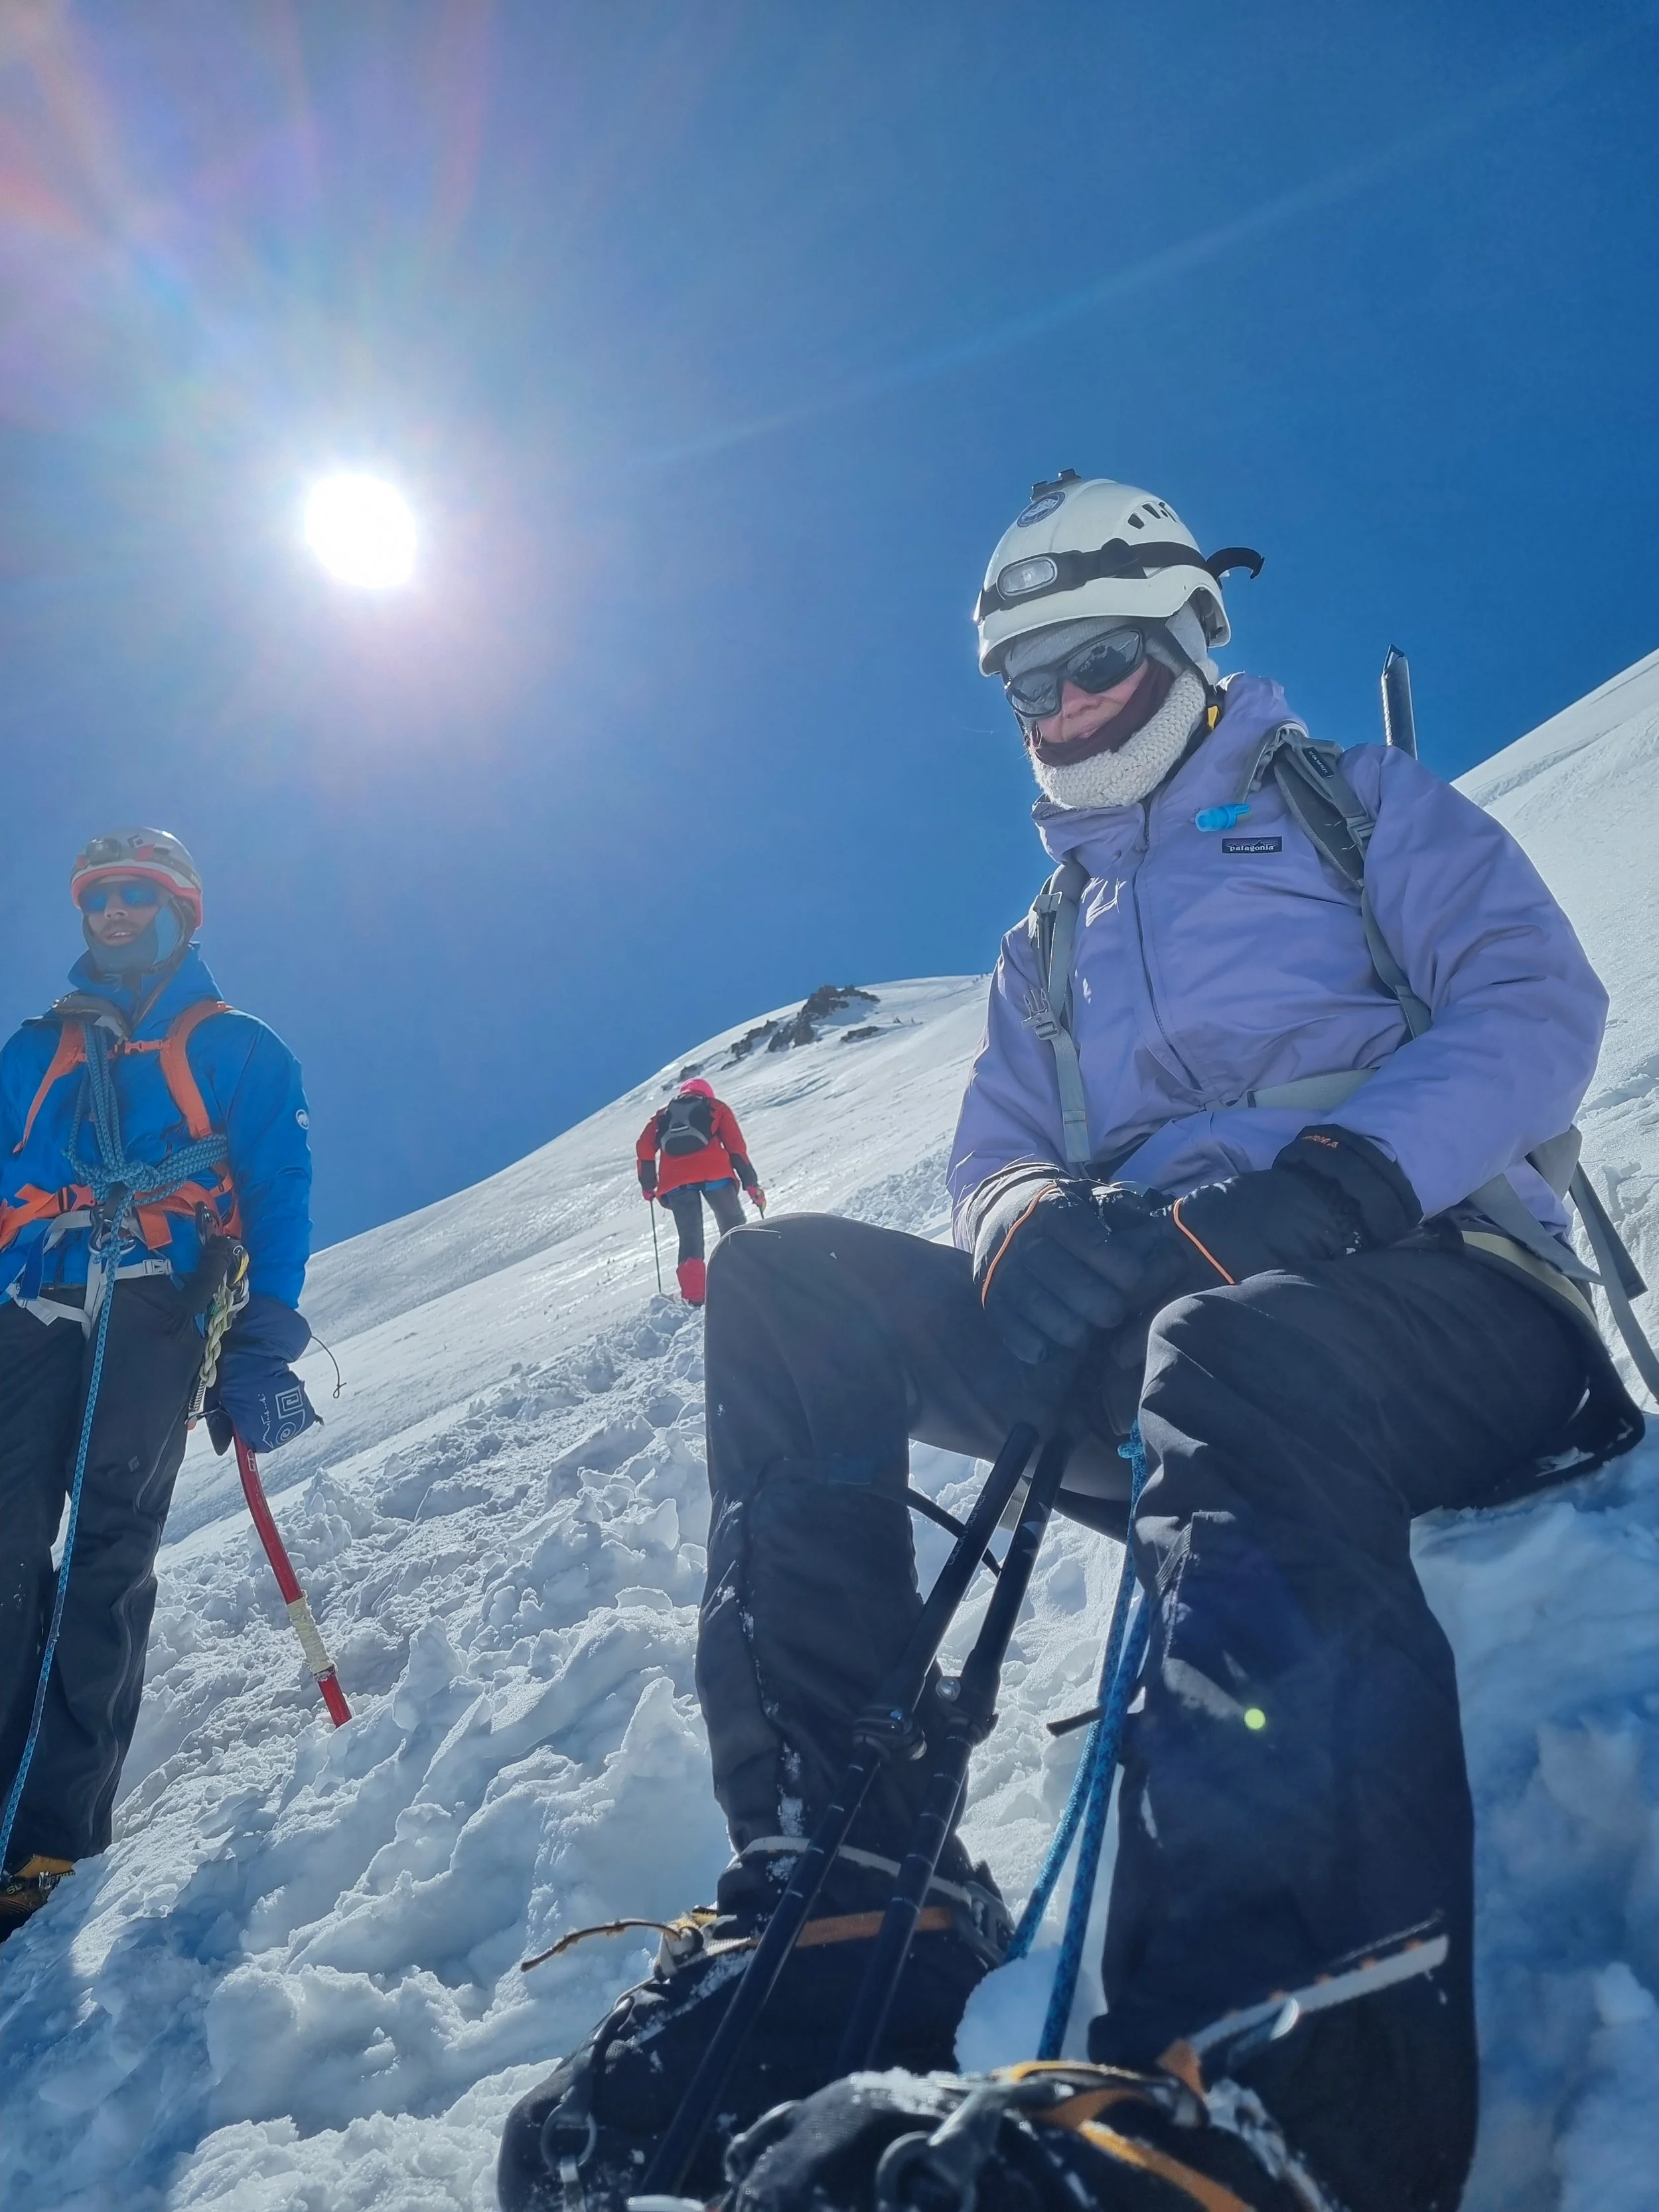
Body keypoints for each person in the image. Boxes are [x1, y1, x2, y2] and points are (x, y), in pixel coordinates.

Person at [499, 479, 1642, 2212]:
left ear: (1188, 639)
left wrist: (1321, 1186)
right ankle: (852, 1886)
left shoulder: (1352, 807)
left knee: (1230, 1346)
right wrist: (1029, 1223)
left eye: (1095, 660)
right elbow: (993, 1142)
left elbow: (1530, 1002)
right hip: (1185, 1346)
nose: (1060, 707)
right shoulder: (1047, 940)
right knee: (788, 1288)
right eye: (1025, 681)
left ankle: (1280, 2077)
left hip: (1440, 1302)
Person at [0, 829, 315, 1940]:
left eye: (138, 894)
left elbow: (278, 1181)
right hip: (32, 1297)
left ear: (182, 908)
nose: (115, 912)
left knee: (109, 1548)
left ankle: (51, 1833)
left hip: (157, 1295)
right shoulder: (33, 1047)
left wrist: (265, 1334)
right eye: (98, 897)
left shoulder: (239, 1047)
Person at [636, 1076, 766, 1305]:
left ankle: (695, 1297)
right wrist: (751, 1185)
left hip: (676, 1184)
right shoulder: (715, 1107)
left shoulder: (663, 1115)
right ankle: (746, 1275)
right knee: (732, 1224)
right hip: (715, 1175)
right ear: (707, 1093)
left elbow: (644, 1147)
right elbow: (736, 1147)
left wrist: (649, 1185)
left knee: (690, 1236)